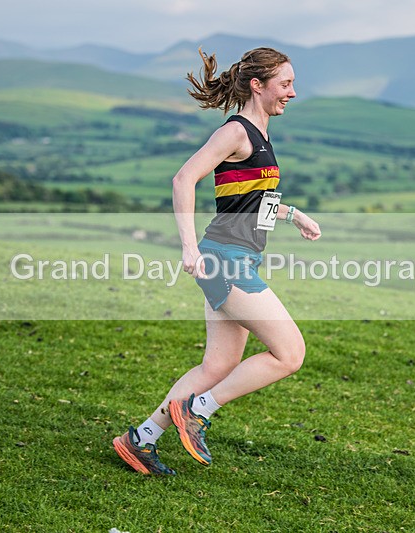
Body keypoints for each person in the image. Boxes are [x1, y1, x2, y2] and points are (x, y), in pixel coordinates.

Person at [112, 46, 322, 475]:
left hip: (236, 256)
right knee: (290, 353)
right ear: (257, 86)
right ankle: (199, 410)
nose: (293, 92)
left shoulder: (260, 136)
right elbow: (183, 178)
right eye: (285, 84)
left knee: (218, 364)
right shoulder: (236, 132)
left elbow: (248, 200)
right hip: (225, 260)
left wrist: (292, 214)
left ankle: (141, 439)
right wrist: (188, 247)